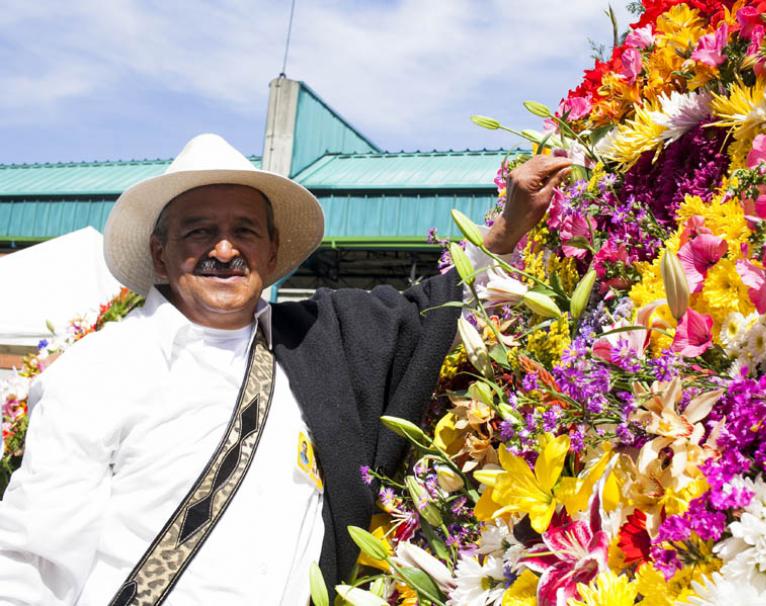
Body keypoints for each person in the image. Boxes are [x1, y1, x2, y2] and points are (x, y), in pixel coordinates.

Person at [0, 134, 570, 605]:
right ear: (159, 254)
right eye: (199, 231)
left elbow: (427, 312)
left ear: (272, 253)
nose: (225, 250)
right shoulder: (99, 369)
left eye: (245, 231)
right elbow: (31, 559)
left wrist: (505, 230)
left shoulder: (318, 340)